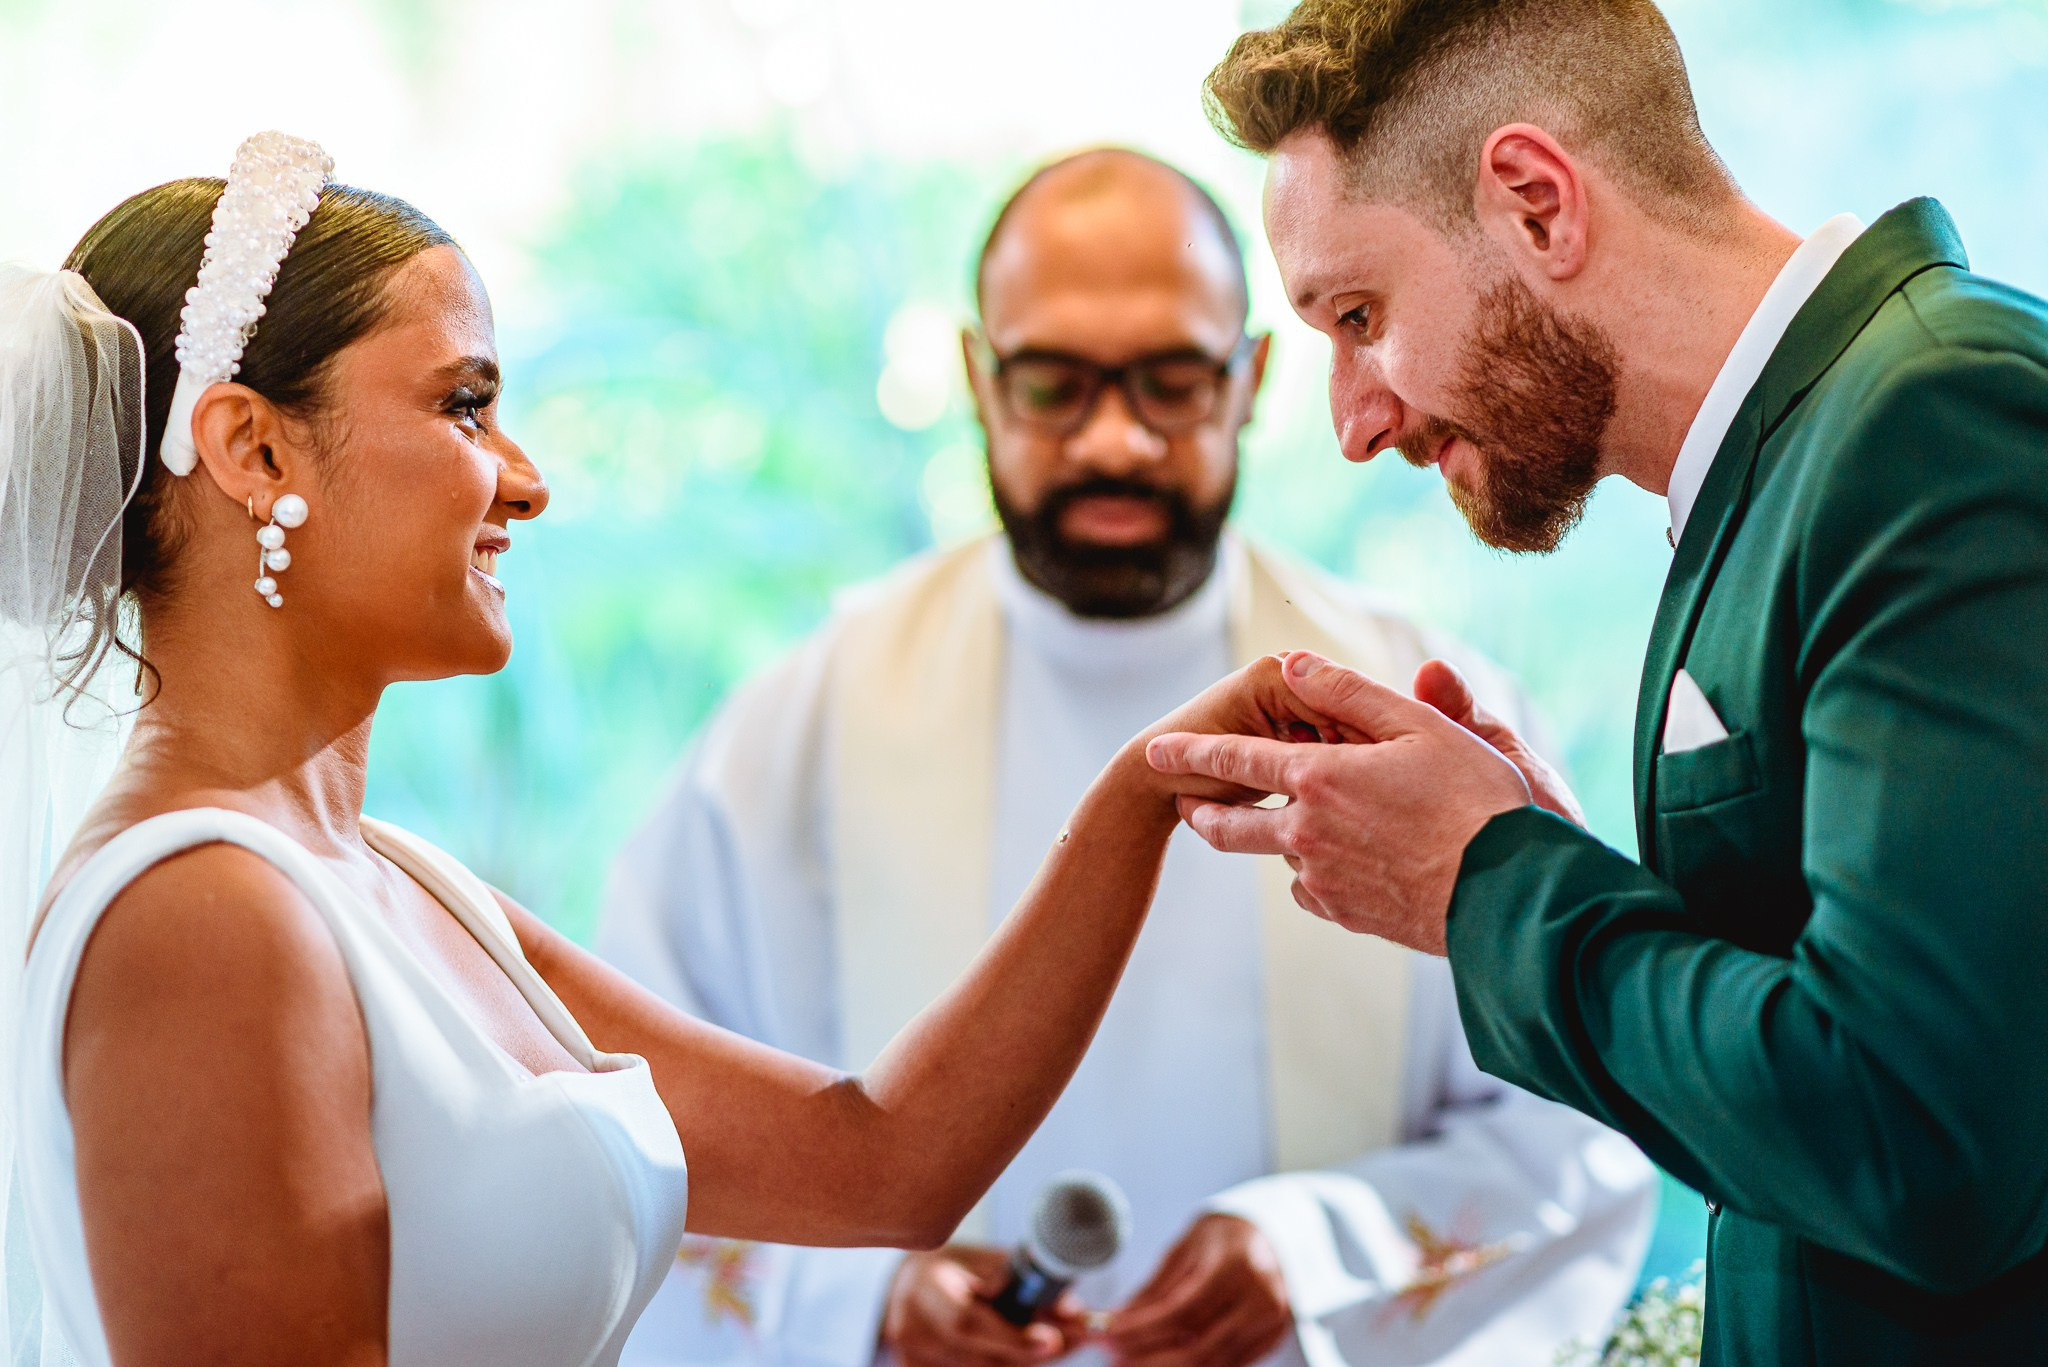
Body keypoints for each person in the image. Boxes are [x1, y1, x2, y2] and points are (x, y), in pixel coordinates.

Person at [0, 134, 1350, 1367]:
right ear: (250, 444)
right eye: (465, 407)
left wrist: (1142, 791)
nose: (524, 478)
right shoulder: (206, 915)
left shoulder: (391, 879)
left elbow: (882, 1160)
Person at [600, 148, 1654, 1367]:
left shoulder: (1414, 710)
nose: (1115, 440)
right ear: (975, 377)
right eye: (1055, 382)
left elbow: (1580, 1121)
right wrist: (867, 1298)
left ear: (1251, 376)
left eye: (1168, 382)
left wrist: (1313, 1253)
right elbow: (637, 1131)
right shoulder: (796, 732)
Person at [1145, 2, 2048, 1364]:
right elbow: (1808, 1048)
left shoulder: (1931, 425)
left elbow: (1919, 1140)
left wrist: (1487, 883)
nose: (1353, 421)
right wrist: (1548, 857)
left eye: (1360, 314)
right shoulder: (1787, 472)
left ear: (1534, 201)